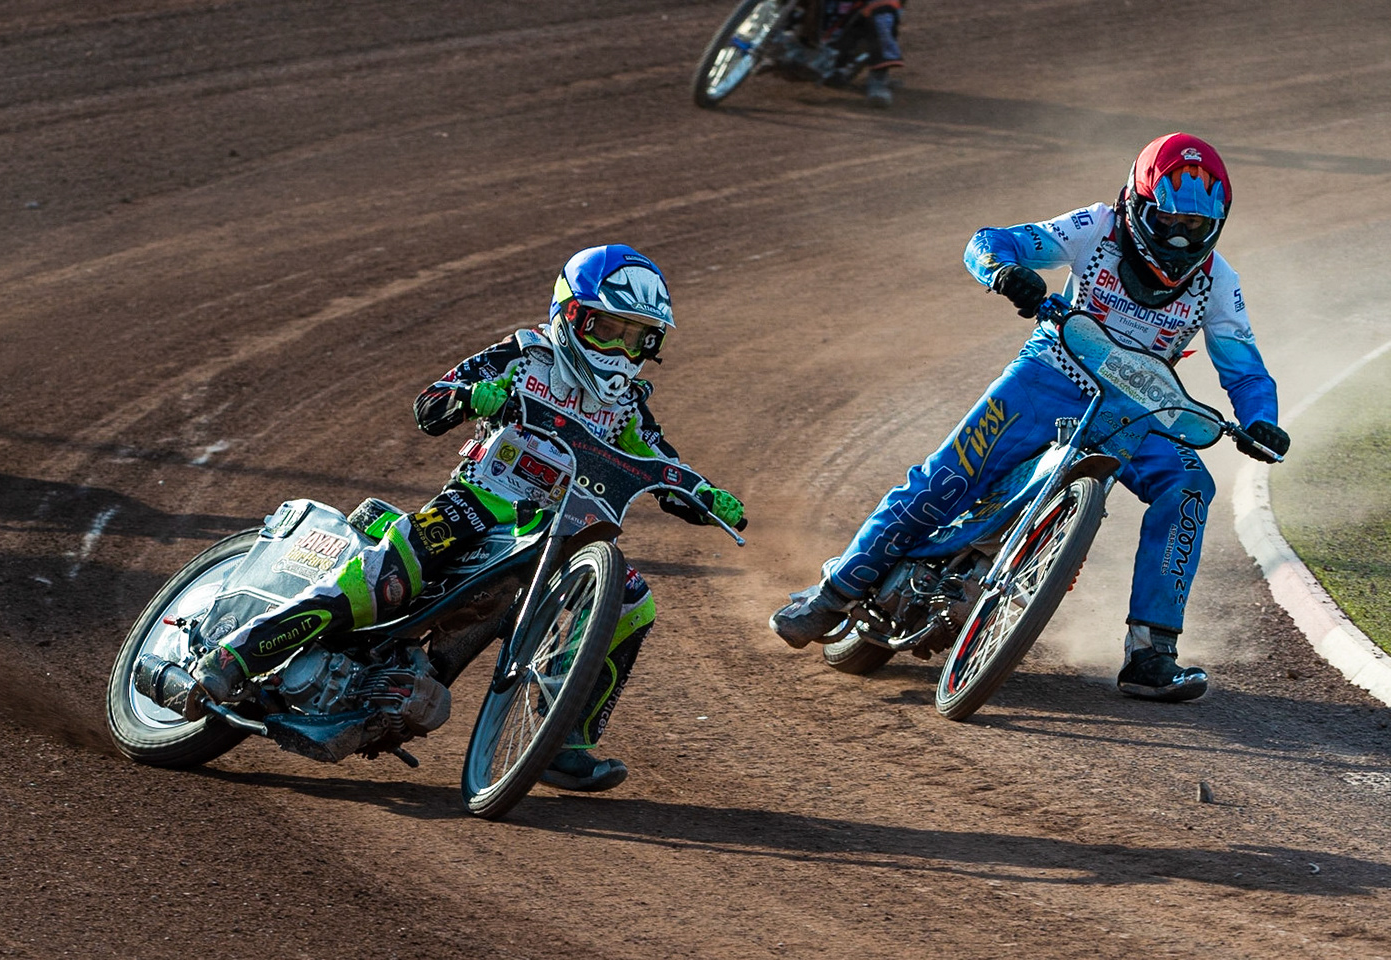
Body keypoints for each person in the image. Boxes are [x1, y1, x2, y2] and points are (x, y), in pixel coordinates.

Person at [170, 245, 743, 790]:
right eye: (608, 329)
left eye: (637, 338)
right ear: (570, 314)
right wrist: (476, 397)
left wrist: (705, 493)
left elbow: (661, 466)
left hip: (558, 531)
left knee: (631, 602)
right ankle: (237, 654)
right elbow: (431, 402)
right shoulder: (525, 354)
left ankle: (562, 740)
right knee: (387, 585)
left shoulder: (629, 404)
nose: (620, 352)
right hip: (475, 505)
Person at [770, 133, 1289, 702]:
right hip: (1046, 378)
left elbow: (1245, 371)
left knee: (1190, 484)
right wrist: (1004, 271)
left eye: (1195, 226)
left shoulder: (1221, 284)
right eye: (1168, 221)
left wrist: (1260, 419)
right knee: (947, 477)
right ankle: (831, 594)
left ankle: (1150, 654)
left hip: (1139, 409)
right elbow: (987, 243)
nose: (1180, 237)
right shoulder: (1095, 227)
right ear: (1138, 206)